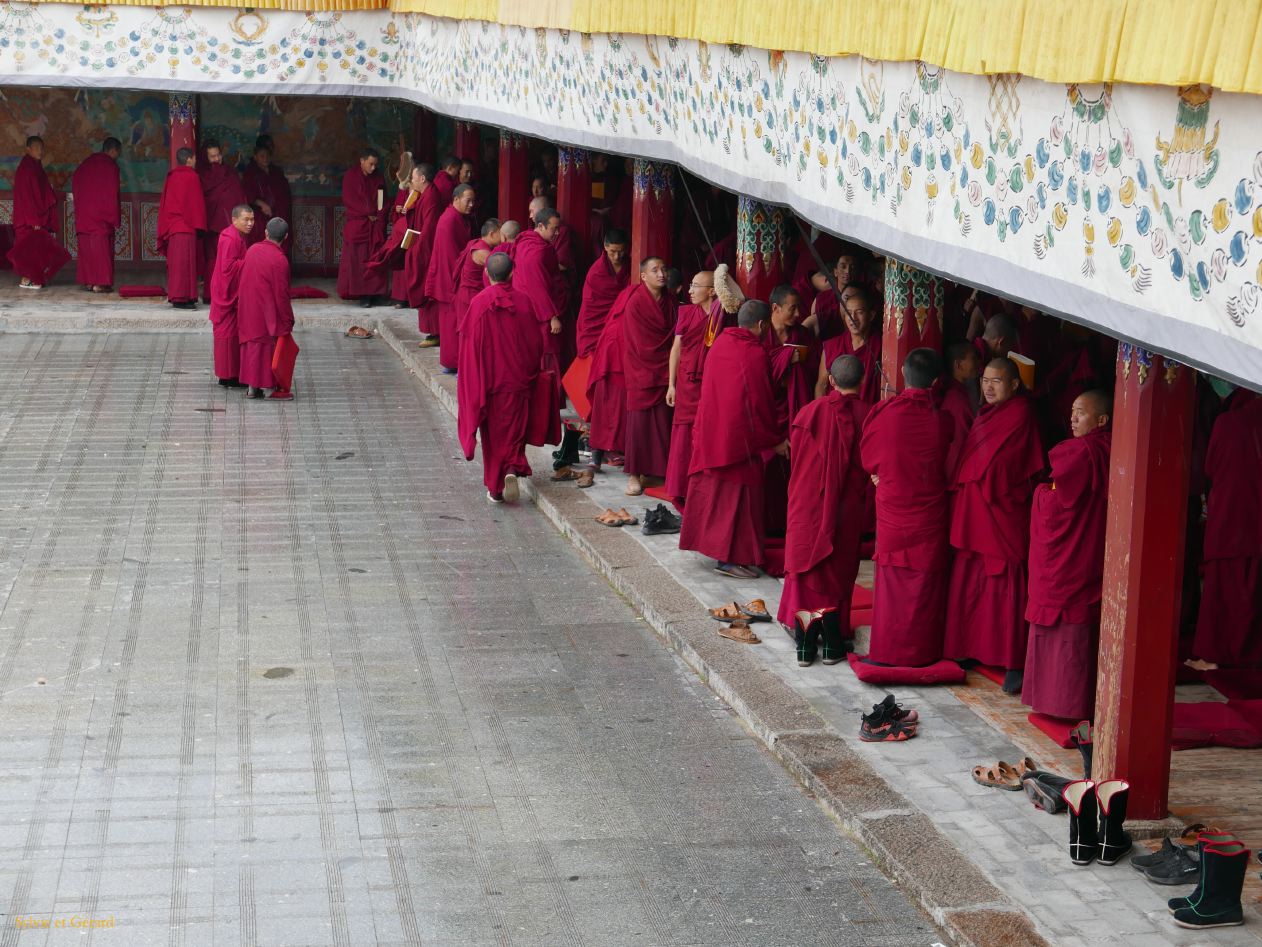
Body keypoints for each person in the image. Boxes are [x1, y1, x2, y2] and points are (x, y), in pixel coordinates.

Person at [943, 357, 1046, 690]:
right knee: (972, 577)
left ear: (1014, 385)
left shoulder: (1021, 413)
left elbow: (1007, 465)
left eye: (997, 381)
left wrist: (980, 473)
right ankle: (969, 647)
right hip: (976, 513)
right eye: (985, 380)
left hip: (1001, 511)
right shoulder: (987, 413)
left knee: (1006, 580)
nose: (988, 387)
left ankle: (1013, 660)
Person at [679, 300, 788, 579]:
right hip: (738, 442)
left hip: (713, 432)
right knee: (737, 499)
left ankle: (720, 552)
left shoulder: (720, 343)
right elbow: (760, 403)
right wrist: (774, 439)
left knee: (717, 494)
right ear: (762, 325)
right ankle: (728, 560)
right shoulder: (754, 353)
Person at [860, 348, 955, 666]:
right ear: (937, 381)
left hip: (894, 511)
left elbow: (868, 458)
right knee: (923, 584)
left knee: (892, 585)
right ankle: (920, 654)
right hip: (928, 515)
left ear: (902, 372)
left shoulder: (885, 414)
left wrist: (881, 474)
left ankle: (887, 652)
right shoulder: (943, 421)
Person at [1023, 390, 1112, 720]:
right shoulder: (1108, 449)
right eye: (1072, 410)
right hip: (1091, 549)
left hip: (1071, 555)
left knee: (1065, 620)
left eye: (1081, 412)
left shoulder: (1081, 452)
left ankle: (1061, 703)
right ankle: (1077, 700)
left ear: (1101, 420)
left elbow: (1057, 505)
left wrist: (1039, 493)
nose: (1073, 418)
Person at [778, 355, 873, 659]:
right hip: (846, 510)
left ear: (830, 380)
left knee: (808, 569)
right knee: (836, 571)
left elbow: (799, 462)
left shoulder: (809, 413)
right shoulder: (869, 417)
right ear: (863, 381)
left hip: (808, 504)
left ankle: (805, 647)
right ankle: (833, 643)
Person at [457, 252, 544, 504]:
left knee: (493, 437)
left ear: (486, 273)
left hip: (491, 384)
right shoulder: (524, 302)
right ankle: (512, 467)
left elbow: (470, 349)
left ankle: (496, 489)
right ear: (512, 272)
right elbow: (536, 343)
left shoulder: (479, 303)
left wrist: (472, 385)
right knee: (515, 430)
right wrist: (529, 371)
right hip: (518, 380)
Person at [1191, 388, 1262, 669]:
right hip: (1253, 518)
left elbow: (1209, 467)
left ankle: (1216, 654)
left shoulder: (1228, 422)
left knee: (1224, 589)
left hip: (1231, 517)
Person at [664, 269, 725, 503]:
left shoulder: (722, 315)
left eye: (695, 286)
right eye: (690, 285)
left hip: (711, 384)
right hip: (687, 383)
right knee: (683, 435)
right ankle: (681, 487)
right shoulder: (686, 312)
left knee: (707, 432)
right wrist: (671, 385)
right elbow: (676, 349)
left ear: (711, 291)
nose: (689, 290)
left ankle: (703, 486)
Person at [621, 256, 676, 496]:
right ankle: (634, 474)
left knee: (663, 423)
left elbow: (676, 337)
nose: (661, 274)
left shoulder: (670, 302)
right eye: (655, 270)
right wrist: (662, 365)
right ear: (643, 276)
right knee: (639, 425)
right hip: (641, 370)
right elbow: (638, 343)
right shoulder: (635, 303)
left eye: (663, 269)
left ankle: (657, 472)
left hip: (666, 371)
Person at [762, 284, 816, 533]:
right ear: (775, 308)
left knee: (796, 468)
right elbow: (755, 374)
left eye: (799, 308)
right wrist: (783, 361)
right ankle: (768, 523)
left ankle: (789, 524)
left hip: (796, 408)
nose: (798, 314)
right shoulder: (762, 334)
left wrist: (795, 366)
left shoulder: (802, 335)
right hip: (769, 409)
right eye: (792, 309)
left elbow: (813, 372)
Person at [237, 218, 295, 400]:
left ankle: (252, 389)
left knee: (252, 347)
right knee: (266, 346)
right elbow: (282, 294)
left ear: (266, 233)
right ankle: (270, 388)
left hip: (249, 308)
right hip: (267, 313)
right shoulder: (280, 260)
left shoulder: (252, 250)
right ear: (286, 236)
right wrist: (288, 318)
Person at [423, 184, 477, 373]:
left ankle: (452, 362)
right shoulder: (449, 220)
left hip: (451, 278)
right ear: (456, 199)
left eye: (473, 201)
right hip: (449, 280)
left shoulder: (458, 218)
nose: (471, 205)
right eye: (468, 201)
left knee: (452, 323)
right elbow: (451, 257)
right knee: (452, 324)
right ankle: (453, 363)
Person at [8, 136, 70, 290]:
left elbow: (41, 192)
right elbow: (27, 197)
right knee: (28, 250)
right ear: (28, 149)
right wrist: (34, 220)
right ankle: (26, 279)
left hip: (34, 217)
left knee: (36, 250)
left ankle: (33, 278)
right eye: (36, 147)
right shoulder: (26, 169)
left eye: (42, 148)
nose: (40, 151)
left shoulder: (35, 167)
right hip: (28, 219)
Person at [208, 204, 255, 387]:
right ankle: (228, 377)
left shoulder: (236, 235)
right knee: (228, 335)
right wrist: (250, 261)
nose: (250, 223)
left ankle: (230, 375)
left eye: (252, 219)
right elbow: (228, 269)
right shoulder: (231, 238)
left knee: (233, 334)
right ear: (234, 220)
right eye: (246, 219)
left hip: (229, 290)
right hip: (226, 292)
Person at [512, 207, 566, 366]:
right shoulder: (536, 252)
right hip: (538, 310)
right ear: (541, 226)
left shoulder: (526, 241)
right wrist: (552, 317)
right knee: (545, 350)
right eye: (554, 229)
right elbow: (537, 286)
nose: (557, 233)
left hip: (527, 305)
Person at [337, 148, 388, 308]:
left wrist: (379, 214)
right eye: (370, 164)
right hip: (358, 225)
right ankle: (363, 294)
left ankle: (376, 293)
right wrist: (368, 213)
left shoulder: (378, 177)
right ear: (362, 161)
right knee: (359, 262)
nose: (373, 167)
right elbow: (350, 200)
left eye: (375, 164)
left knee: (376, 259)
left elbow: (382, 199)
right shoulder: (351, 177)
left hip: (375, 225)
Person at [157, 147, 207, 310]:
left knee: (178, 264)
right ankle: (181, 298)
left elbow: (166, 204)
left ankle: (185, 297)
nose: (195, 161)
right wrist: (201, 226)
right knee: (186, 264)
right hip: (187, 226)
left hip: (173, 227)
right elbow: (197, 204)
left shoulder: (171, 177)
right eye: (194, 158)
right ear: (189, 159)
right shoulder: (192, 176)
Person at [198, 140, 247, 303]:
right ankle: (210, 294)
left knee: (230, 259)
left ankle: (229, 293)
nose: (217, 159)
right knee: (212, 260)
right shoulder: (202, 176)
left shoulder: (230, 172)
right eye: (212, 156)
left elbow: (239, 196)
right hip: (211, 228)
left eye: (218, 155)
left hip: (230, 227)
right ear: (205, 158)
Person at [72, 137, 122, 293]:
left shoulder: (85, 164)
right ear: (112, 150)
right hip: (101, 217)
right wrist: (114, 216)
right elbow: (112, 193)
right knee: (101, 250)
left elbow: (75, 185)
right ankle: (100, 284)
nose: (118, 156)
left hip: (84, 215)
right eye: (118, 153)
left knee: (87, 248)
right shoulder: (110, 166)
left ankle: (88, 282)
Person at [815, 286, 882, 403]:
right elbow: (822, 385)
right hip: (836, 411)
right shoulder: (832, 346)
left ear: (871, 315)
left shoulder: (881, 346)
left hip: (868, 412)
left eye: (859, 312)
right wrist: (823, 410)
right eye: (849, 313)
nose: (853, 318)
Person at [405, 162, 445, 347]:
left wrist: (416, 251)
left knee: (430, 291)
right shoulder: (425, 194)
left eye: (413, 178)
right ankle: (432, 331)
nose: (412, 181)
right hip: (422, 246)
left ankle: (436, 333)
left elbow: (428, 230)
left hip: (428, 252)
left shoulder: (432, 197)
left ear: (422, 178)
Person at [575, 229, 630, 359]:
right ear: (605, 247)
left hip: (621, 319)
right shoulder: (596, 272)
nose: (617, 256)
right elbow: (589, 306)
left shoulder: (631, 267)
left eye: (621, 251)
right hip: (597, 322)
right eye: (612, 251)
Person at [452, 217, 502, 342]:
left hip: (469, 294)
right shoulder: (482, 252)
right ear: (492, 234)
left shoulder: (476, 243)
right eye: (501, 233)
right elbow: (500, 270)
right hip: (471, 296)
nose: (503, 237)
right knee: (473, 334)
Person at [939, 341, 982, 472]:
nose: (978, 362)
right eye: (973, 358)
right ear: (958, 365)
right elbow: (957, 447)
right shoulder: (958, 401)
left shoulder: (957, 391)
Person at [242, 145, 291, 252]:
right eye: (262, 156)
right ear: (255, 157)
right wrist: (260, 203)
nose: (265, 159)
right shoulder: (250, 173)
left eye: (267, 156)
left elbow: (284, 192)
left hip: (278, 213)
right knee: (262, 244)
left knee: (280, 242)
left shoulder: (276, 172)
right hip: (260, 217)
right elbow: (247, 194)